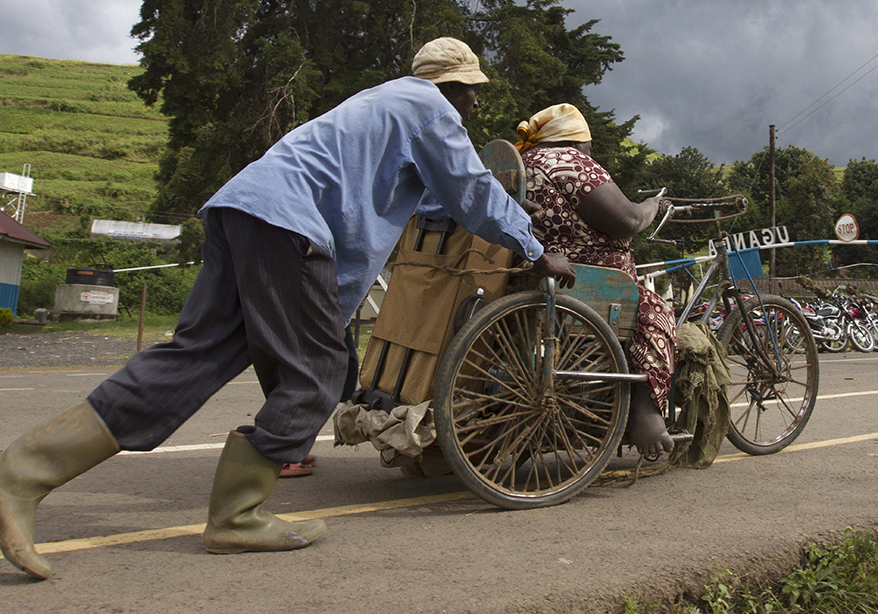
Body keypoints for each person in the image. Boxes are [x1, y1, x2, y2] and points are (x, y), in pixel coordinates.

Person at [0, 37, 575, 580]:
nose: (475, 99)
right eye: (470, 87)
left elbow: (430, 200)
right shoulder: (428, 108)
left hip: (243, 208)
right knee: (321, 370)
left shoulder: (379, 108)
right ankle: (235, 518)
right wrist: (534, 247)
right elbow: (470, 189)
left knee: (195, 357)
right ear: (447, 85)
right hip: (283, 225)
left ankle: (23, 473)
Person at [515, 104, 676, 457]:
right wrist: (652, 205)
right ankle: (646, 413)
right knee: (656, 313)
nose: (592, 155)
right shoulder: (568, 162)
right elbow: (629, 220)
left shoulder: (523, 164)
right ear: (577, 142)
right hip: (587, 281)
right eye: (589, 147)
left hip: (532, 271)